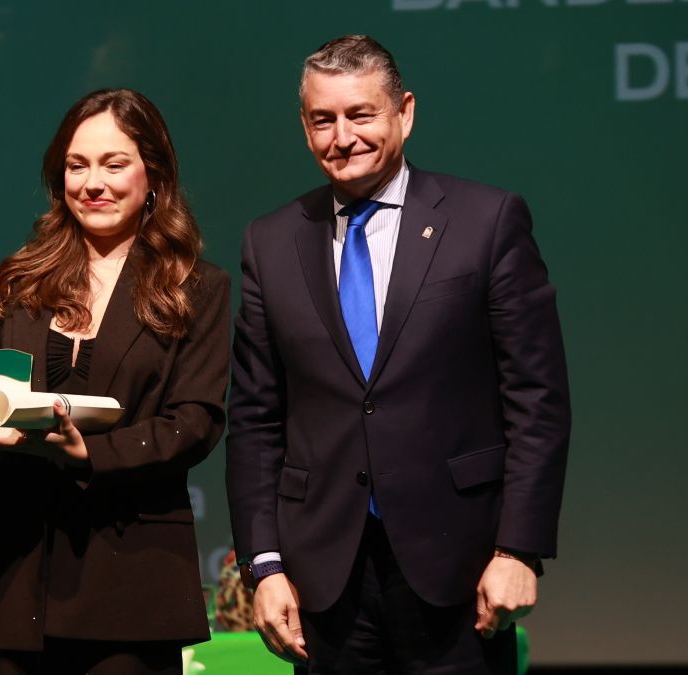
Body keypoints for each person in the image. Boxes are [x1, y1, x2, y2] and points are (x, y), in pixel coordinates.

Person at [225, 36, 571, 673]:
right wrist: (264, 564)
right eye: (322, 119)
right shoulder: (270, 242)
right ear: (304, 126)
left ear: (404, 113)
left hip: (460, 571)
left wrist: (519, 549)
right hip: (322, 582)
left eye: (361, 114)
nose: (342, 136)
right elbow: (253, 419)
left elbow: (538, 401)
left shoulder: (486, 221)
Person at [0, 88, 230, 675]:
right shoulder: (13, 282)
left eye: (114, 163)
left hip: (132, 577)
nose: (93, 183)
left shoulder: (195, 287)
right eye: (77, 166)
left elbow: (195, 421)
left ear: (153, 174)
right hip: (16, 580)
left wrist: (90, 453)